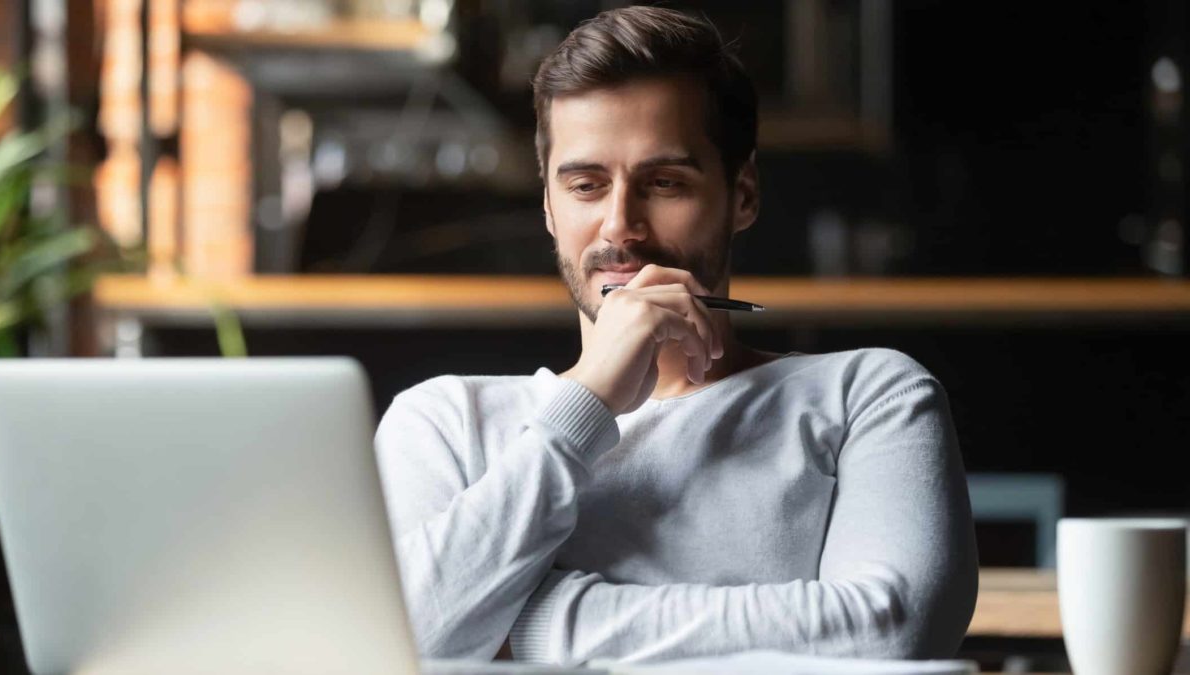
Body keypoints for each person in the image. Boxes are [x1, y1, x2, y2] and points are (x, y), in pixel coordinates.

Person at [374, 6, 978, 666]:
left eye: (664, 183)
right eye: (585, 184)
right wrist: (587, 402)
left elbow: (891, 631)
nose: (619, 226)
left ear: (742, 194)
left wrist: (531, 620)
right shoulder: (443, 421)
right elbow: (387, 642)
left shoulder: (868, 394)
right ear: (548, 205)